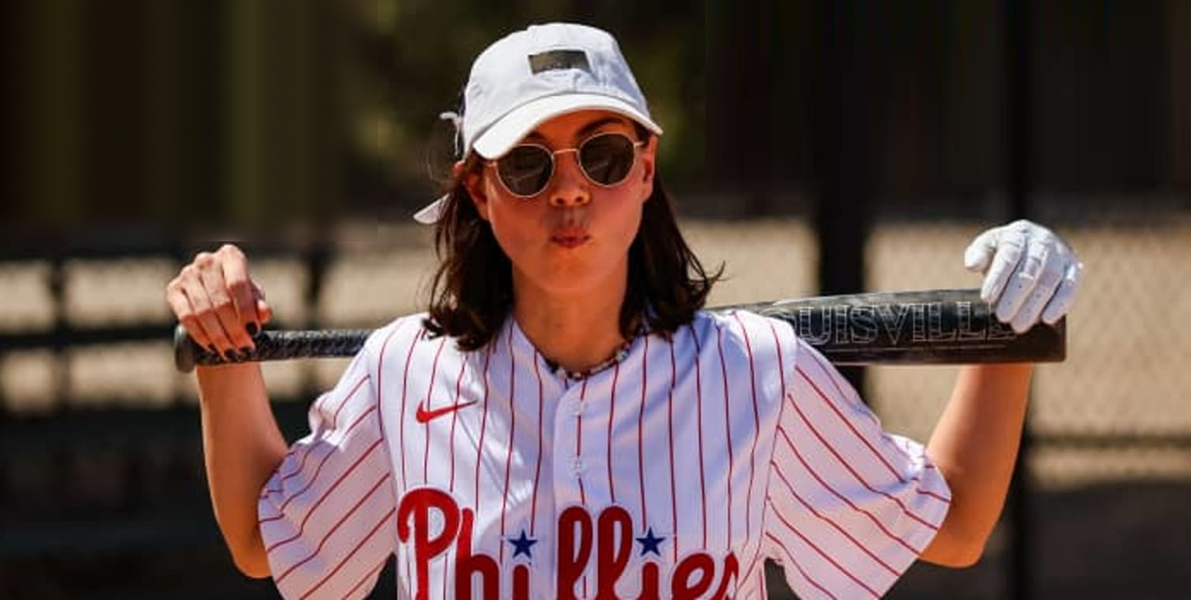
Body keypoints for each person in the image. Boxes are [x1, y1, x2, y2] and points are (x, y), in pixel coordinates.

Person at [165, 22, 1084, 600]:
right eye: (528, 164)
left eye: (601, 155)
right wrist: (225, 355)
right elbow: (268, 542)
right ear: (480, 194)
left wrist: (1007, 334)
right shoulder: (407, 369)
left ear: (645, 171)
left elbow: (955, 526)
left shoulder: (757, 371)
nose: (569, 191)